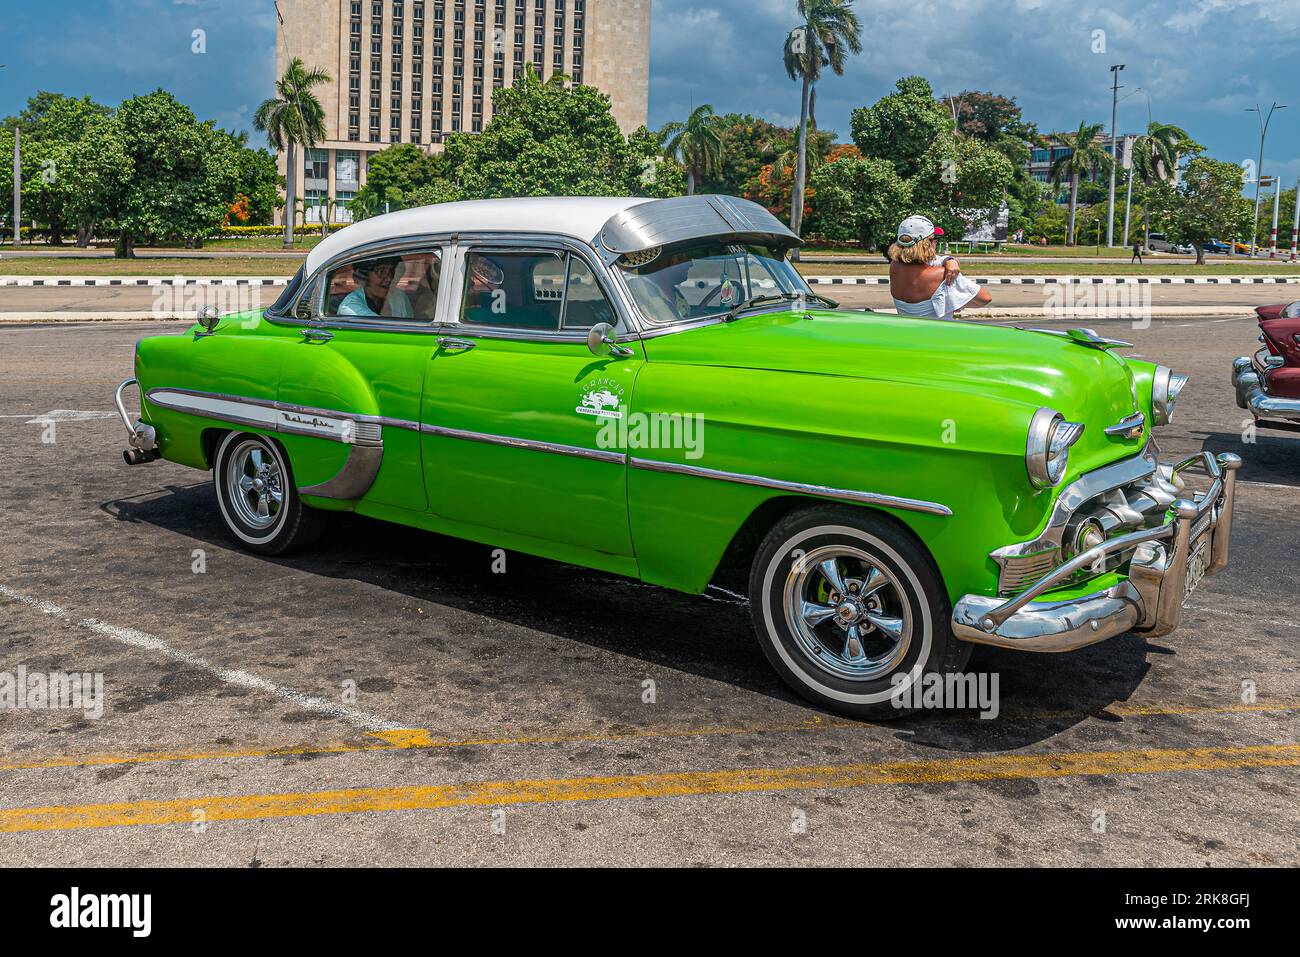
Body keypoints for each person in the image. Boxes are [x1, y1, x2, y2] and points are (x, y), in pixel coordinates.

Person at [888, 215, 991, 320]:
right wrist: (955, 303)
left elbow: (928, 261)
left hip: (907, 333)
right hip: (937, 334)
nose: (936, 242)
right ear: (925, 244)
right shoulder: (941, 274)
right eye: (933, 238)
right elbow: (985, 298)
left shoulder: (895, 267)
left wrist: (949, 259)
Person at [338, 257, 413, 318]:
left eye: (392, 271)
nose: (389, 278)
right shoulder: (350, 308)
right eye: (381, 272)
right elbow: (384, 330)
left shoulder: (399, 296)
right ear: (364, 277)